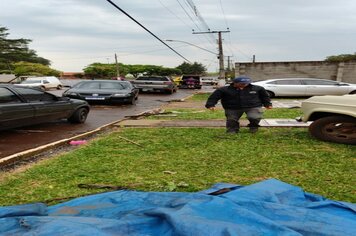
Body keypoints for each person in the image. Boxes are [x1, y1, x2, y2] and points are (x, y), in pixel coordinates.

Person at [205, 76, 272, 133]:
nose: (245, 84)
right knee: (232, 120)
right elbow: (214, 97)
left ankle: (253, 127)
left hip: (253, 106)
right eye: (242, 83)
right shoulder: (224, 89)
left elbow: (265, 96)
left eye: (247, 83)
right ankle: (232, 130)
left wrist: (267, 104)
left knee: (255, 117)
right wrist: (210, 105)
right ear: (235, 83)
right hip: (232, 107)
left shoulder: (258, 88)